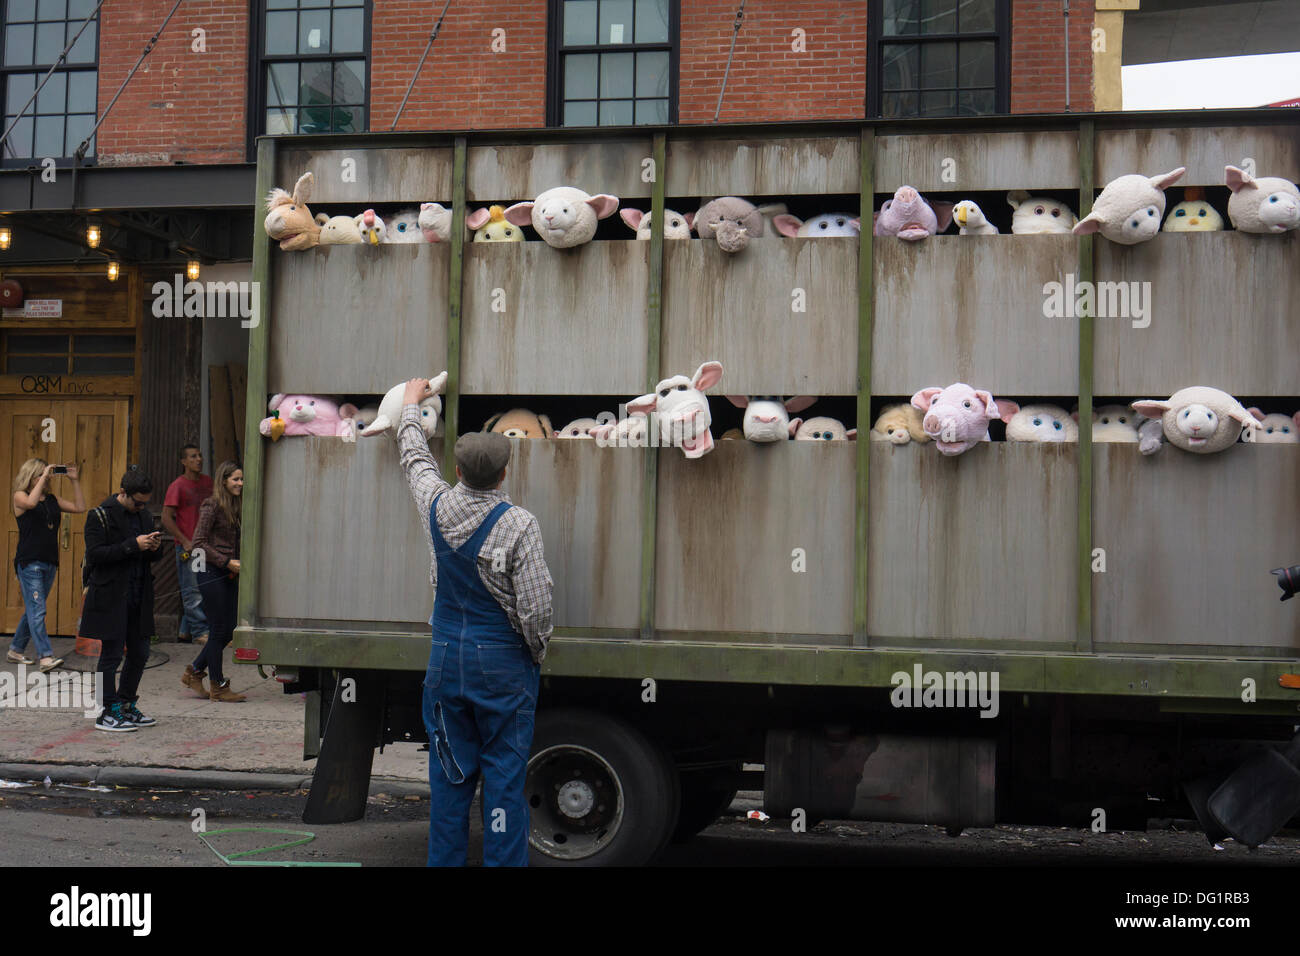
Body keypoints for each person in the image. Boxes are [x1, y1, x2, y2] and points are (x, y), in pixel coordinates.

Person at [396, 377, 554, 867]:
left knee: (450, 778)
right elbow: (536, 608)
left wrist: (410, 406)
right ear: (504, 474)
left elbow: (415, 460)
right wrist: (534, 652)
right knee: (504, 780)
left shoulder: (436, 504)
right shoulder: (520, 524)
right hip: (503, 667)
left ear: (458, 470)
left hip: (446, 661)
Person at [83, 466, 169, 732]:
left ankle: (126, 703)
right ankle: (106, 711)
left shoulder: (144, 516)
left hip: (139, 595)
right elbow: (96, 554)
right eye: (137, 502)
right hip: (111, 596)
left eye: (145, 503)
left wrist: (154, 547)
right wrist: (133, 545)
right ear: (123, 492)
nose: (141, 507)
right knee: (111, 655)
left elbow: (151, 555)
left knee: (140, 653)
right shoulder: (99, 515)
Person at [7, 458, 84, 671]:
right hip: (29, 561)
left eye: (46, 474)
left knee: (34, 609)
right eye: (40, 474)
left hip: (50, 561)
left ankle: (15, 650)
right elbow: (31, 504)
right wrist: (43, 477)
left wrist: (74, 481)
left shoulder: (52, 499)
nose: (46, 477)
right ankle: (45, 657)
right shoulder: (20, 496)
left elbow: (80, 507)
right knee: (38, 610)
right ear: (30, 475)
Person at [181, 460, 245, 703]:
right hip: (210, 571)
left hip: (228, 572)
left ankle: (195, 671)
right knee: (219, 629)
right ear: (224, 481)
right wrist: (226, 561)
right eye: (235, 479)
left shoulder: (237, 504)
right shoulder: (212, 504)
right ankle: (218, 686)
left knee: (228, 628)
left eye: (241, 479)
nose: (240, 483)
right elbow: (198, 542)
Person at [160, 444, 213, 645]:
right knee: (193, 590)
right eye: (193, 456)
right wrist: (184, 541)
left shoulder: (208, 482)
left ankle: (185, 630)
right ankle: (200, 632)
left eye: (200, 455)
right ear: (183, 462)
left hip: (206, 546)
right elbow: (166, 518)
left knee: (203, 587)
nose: (198, 459)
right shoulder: (178, 486)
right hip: (189, 548)